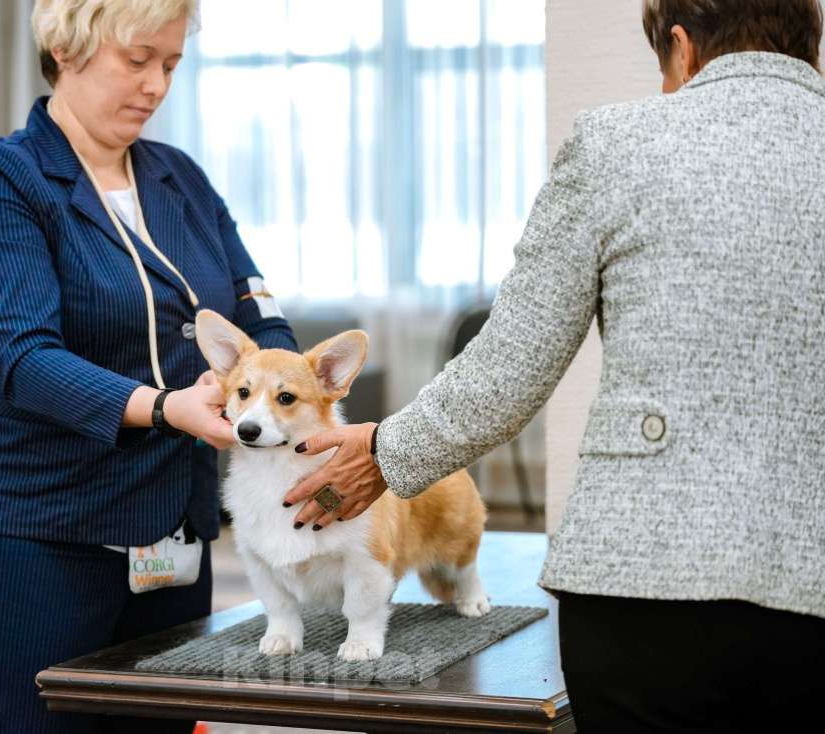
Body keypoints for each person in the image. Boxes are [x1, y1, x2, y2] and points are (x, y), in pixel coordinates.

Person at [281, 0, 825, 730]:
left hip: (644, 585)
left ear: (683, 46)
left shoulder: (617, 143)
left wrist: (384, 451)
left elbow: (512, 362)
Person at [0, 1, 295, 732]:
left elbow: (257, 314)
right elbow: (22, 360)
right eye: (137, 60)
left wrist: (301, 393)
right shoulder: (0, 181)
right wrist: (164, 408)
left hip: (170, 532)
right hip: (39, 535)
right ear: (68, 47)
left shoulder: (180, 180)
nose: (156, 85)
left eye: (170, 64)